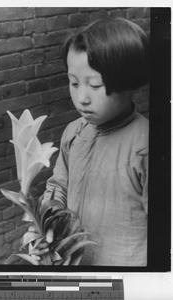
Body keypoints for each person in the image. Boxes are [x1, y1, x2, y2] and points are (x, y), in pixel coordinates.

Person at [41, 17, 149, 266]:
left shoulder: (147, 146)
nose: (81, 98)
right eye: (74, 82)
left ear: (127, 81)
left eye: (95, 84)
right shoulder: (74, 132)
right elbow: (59, 186)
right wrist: (45, 224)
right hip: (75, 266)